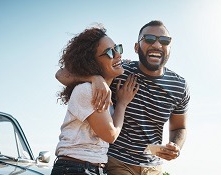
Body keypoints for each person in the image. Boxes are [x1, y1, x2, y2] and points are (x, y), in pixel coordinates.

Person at [56, 20, 190, 175]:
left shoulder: (179, 86)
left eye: (165, 41)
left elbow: (179, 127)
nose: (157, 45)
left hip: (153, 166)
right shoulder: (118, 70)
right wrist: (95, 78)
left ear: (170, 47)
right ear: (136, 47)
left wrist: (176, 146)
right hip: (116, 162)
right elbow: (62, 74)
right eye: (149, 39)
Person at [51, 26, 139, 175]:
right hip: (75, 168)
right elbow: (110, 135)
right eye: (109, 52)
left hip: (88, 168)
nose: (117, 55)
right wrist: (122, 104)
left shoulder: (101, 91)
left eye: (117, 48)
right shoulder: (87, 90)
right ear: (92, 62)